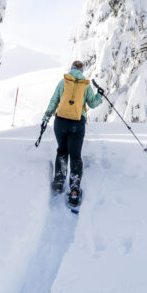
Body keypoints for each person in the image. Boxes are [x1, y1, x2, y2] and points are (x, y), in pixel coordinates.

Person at [42, 60, 103, 205]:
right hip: (77, 123)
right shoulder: (85, 85)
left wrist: (46, 117)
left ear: (71, 69)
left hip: (60, 122)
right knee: (75, 155)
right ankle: (74, 190)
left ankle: (58, 182)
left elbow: (54, 101)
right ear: (82, 70)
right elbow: (92, 103)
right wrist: (100, 95)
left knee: (62, 151)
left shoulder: (63, 82)